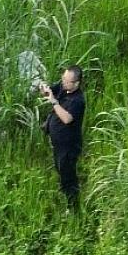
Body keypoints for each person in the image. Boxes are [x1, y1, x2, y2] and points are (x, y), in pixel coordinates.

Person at [39, 65, 86, 208]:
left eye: (67, 81)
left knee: (68, 176)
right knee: (60, 169)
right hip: (58, 143)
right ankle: (66, 194)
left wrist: (54, 101)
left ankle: (74, 207)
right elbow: (49, 93)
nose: (63, 82)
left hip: (68, 146)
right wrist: (44, 90)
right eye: (63, 78)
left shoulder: (78, 100)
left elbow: (67, 118)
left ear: (76, 83)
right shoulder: (63, 87)